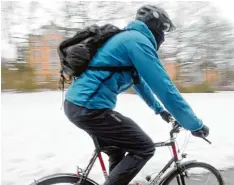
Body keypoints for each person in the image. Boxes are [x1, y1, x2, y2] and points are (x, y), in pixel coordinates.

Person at [64, 4, 209, 185]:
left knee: (116, 150)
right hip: (90, 109)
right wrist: (194, 124)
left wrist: (161, 111)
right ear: (155, 26)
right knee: (144, 148)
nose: (163, 35)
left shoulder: (128, 39)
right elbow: (165, 88)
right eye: (163, 29)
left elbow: (140, 84)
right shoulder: (137, 41)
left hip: (79, 105)